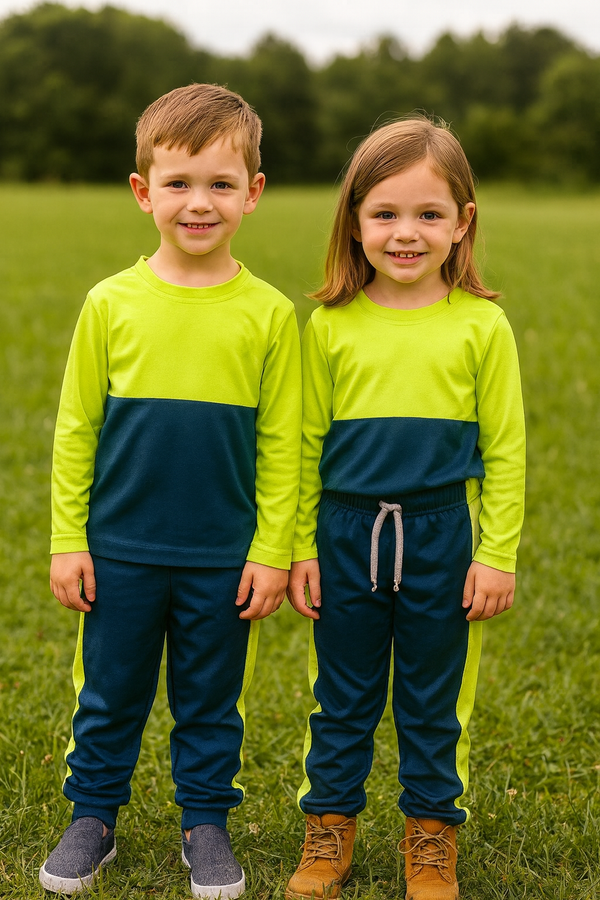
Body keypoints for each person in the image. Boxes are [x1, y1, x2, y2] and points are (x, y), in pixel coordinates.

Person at [39, 83, 301, 898]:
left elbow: (282, 446)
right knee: (110, 693)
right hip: (118, 549)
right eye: (179, 183)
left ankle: (206, 822)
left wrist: (272, 553)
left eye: (221, 184)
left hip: (222, 556)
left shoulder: (268, 314)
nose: (199, 203)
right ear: (143, 191)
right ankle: (93, 815)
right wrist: (68, 538)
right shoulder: (110, 305)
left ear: (252, 193)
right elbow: (75, 430)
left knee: (211, 700)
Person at [285, 117, 525, 900]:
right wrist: (300, 547)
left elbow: (507, 452)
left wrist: (496, 553)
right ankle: (328, 829)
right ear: (354, 224)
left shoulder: (481, 326)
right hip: (345, 532)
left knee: (432, 697)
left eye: (429, 214)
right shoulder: (329, 327)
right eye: (385, 214)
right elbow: (302, 446)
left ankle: (431, 835)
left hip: (440, 536)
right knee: (343, 695)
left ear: (463, 224)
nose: (406, 233)